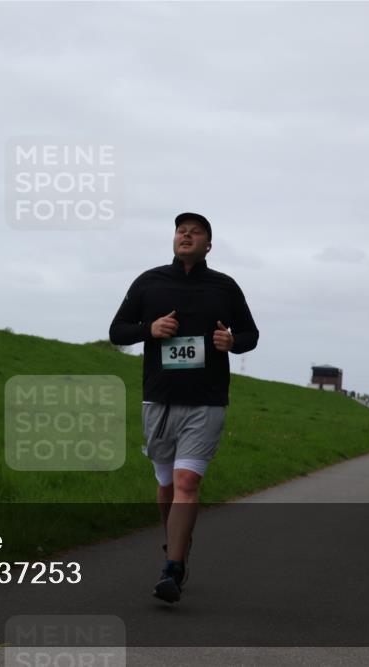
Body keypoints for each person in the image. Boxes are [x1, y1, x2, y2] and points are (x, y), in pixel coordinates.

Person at [109, 211, 259, 604]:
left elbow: (251, 334)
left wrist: (233, 341)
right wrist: (149, 330)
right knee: (165, 487)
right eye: (181, 231)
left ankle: (173, 568)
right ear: (174, 239)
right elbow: (116, 331)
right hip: (159, 399)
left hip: (206, 400)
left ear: (209, 244)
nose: (186, 235)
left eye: (195, 232)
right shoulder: (149, 281)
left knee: (187, 483)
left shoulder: (224, 286)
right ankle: (176, 542)